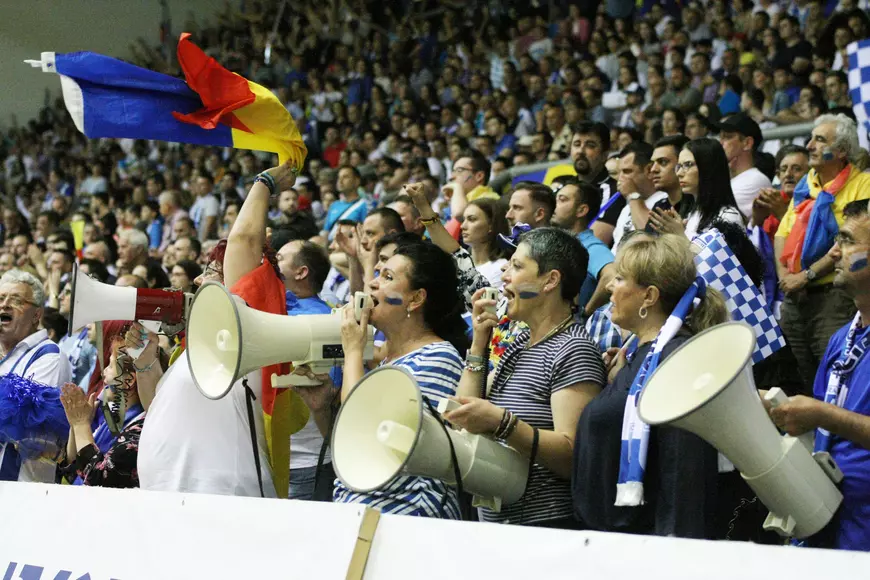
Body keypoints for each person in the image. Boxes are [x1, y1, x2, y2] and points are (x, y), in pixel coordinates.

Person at [445, 228, 605, 528]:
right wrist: (480, 342)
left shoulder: (573, 349)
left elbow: (573, 456)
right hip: (499, 525)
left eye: (517, 266)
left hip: (546, 527)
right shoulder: (519, 343)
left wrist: (503, 423)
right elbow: (459, 413)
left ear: (551, 281)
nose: (504, 274)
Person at [296, 242, 468, 518]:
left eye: (387, 277)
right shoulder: (385, 363)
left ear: (416, 299)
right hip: (363, 512)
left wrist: (353, 350)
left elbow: (374, 441)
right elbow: (353, 446)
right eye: (377, 274)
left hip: (406, 517)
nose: (373, 284)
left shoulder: (438, 358)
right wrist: (321, 409)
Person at [573, 233, 726, 538]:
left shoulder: (676, 359)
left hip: (647, 548)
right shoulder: (640, 356)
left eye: (619, 279)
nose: (608, 288)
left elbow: (684, 468)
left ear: (649, 296)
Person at [135, 240, 276, 498]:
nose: (199, 279)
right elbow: (154, 409)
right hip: (176, 490)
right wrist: (146, 362)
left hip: (217, 490)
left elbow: (246, 240)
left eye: (211, 271)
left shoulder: (246, 339)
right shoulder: (200, 342)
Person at [769, 200, 870, 550]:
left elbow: (828, 417)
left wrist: (823, 414)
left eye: (846, 240)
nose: (834, 251)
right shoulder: (842, 339)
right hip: (826, 520)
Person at [776, 114, 870, 391]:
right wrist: (785, 276)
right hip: (794, 298)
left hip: (833, 298)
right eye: (811, 138)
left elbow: (850, 242)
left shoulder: (862, 185)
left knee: (836, 380)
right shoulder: (806, 186)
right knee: (801, 381)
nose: (810, 145)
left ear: (841, 151)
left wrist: (805, 276)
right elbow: (782, 232)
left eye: (820, 140)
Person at [0, 269, 72, 482]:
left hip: (20, 490)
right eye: (1, 298)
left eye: (16, 300)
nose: (4, 305)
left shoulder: (49, 355)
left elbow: (24, 418)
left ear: (37, 315)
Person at [59, 322, 151, 488]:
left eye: (110, 365)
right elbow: (73, 461)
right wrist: (76, 423)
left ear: (129, 379)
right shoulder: (110, 412)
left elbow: (96, 476)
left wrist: (81, 424)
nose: (103, 372)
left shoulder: (134, 423)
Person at [649, 138, 743, 239]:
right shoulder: (691, 214)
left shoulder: (728, 217)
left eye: (688, 165)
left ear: (708, 168)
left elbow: (712, 255)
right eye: (679, 166)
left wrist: (679, 235)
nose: (679, 173)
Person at [549, 176, 616, 316]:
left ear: (581, 210)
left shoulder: (591, 247)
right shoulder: (562, 244)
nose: (554, 205)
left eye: (562, 200)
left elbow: (613, 275)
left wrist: (586, 313)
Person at [571, 121, 624, 247]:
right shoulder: (564, 187)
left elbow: (593, 244)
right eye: (576, 144)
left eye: (590, 145)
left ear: (604, 155)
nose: (581, 151)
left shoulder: (613, 192)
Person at [717, 112, 773, 219]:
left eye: (727, 137)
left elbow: (716, 217)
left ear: (747, 143)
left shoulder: (756, 180)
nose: (720, 143)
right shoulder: (728, 179)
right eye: (720, 137)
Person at [614, 142, 669, 250]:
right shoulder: (627, 208)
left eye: (627, 171)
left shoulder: (665, 201)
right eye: (619, 172)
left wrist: (632, 195)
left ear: (649, 170)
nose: (620, 178)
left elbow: (649, 235)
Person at [460, 198, 510, 289]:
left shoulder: (501, 268)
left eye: (472, 219)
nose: (463, 226)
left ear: (491, 225)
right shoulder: (460, 263)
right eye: (464, 219)